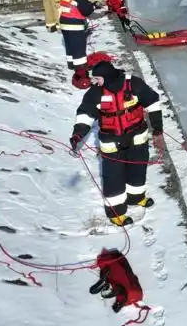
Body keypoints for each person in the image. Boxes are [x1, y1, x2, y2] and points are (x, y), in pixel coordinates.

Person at [69, 58, 162, 227]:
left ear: (107, 76)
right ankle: (116, 213)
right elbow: (85, 115)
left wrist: (157, 127)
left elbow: (153, 103)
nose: (94, 81)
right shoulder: (95, 93)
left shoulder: (134, 84)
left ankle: (136, 197)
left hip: (137, 137)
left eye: (97, 78)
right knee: (113, 177)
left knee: (138, 168)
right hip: (111, 141)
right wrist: (78, 134)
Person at [59, 0, 97, 70]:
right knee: (79, 45)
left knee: (69, 44)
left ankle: (71, 64)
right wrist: (93, 7)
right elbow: (86, 10)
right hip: (74, 23)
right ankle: (80, 67)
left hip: (63, 22)